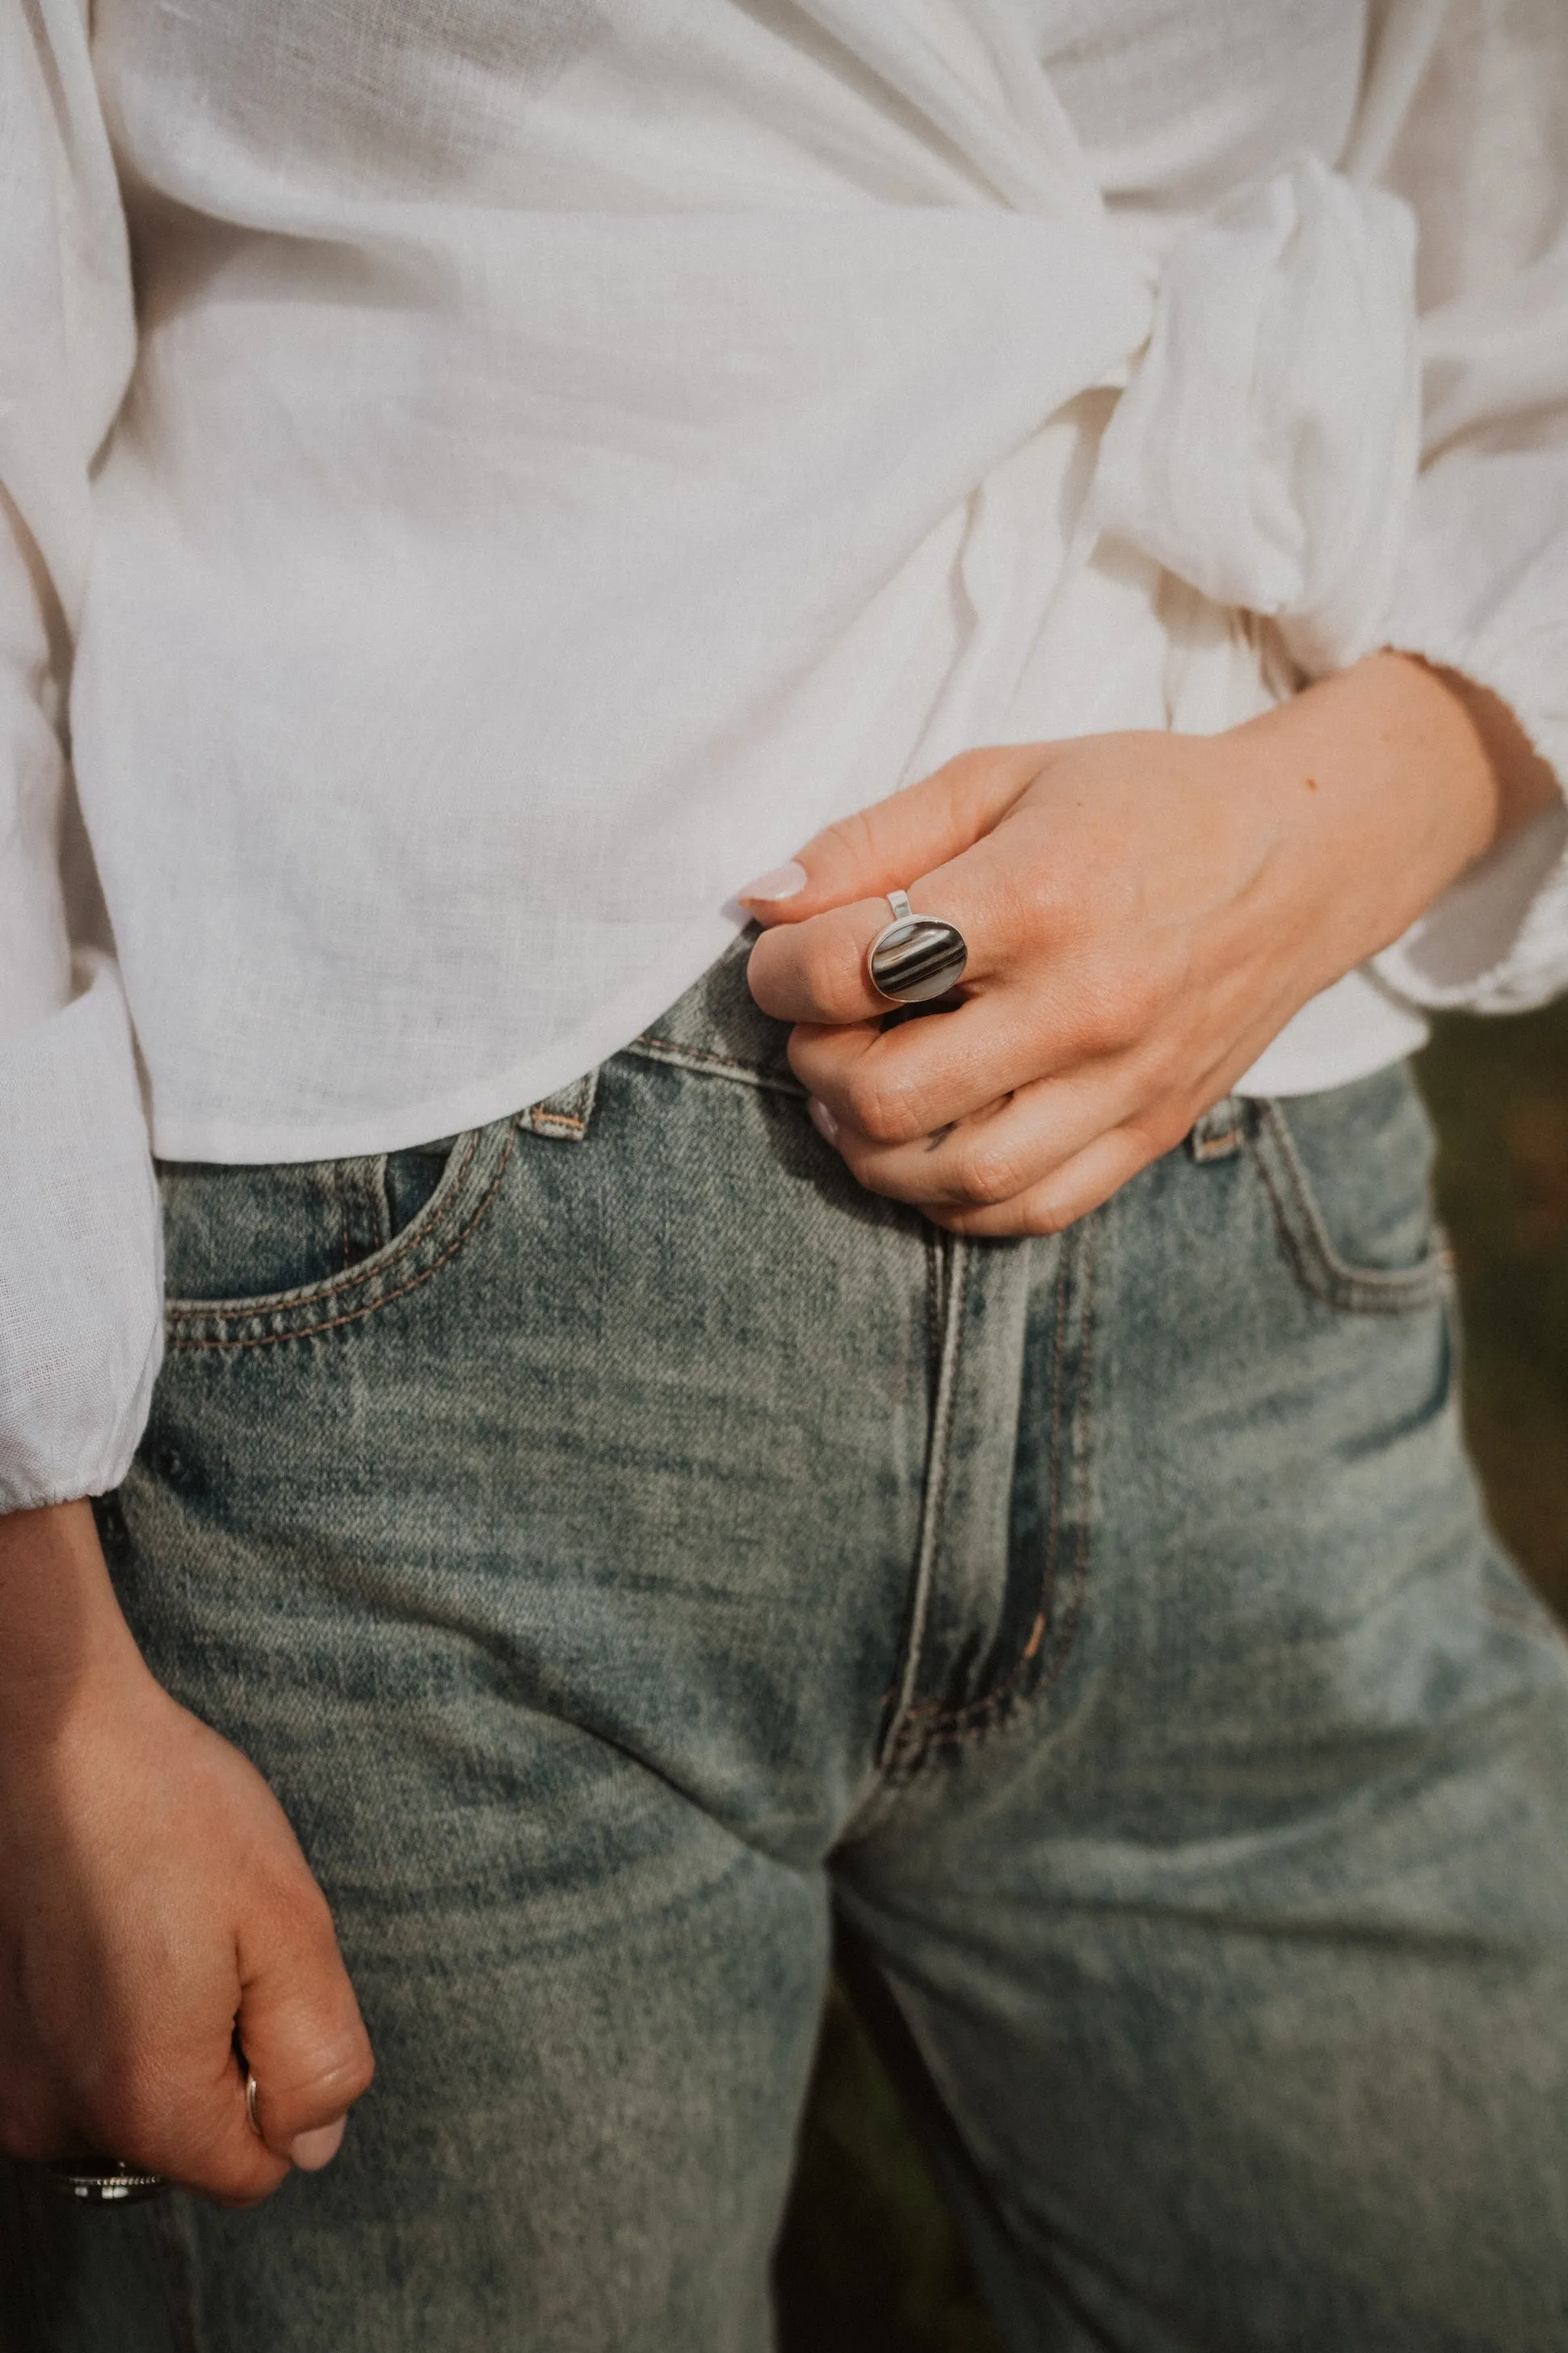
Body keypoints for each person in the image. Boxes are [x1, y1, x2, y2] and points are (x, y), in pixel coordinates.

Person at [2, 1, 1566, 2345]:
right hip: (402, 1403)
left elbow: (1518, 261)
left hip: (1257, 1286)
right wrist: (29, 1664)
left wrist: (1318, 827)